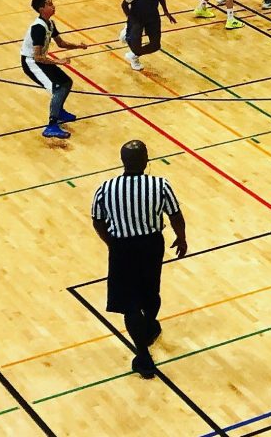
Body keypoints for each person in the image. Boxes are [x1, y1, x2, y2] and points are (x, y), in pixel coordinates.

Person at [90, 139, 187, 380]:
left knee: (129, 303)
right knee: (151, 292)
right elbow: (175, 215)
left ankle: (143, 356)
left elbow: (97, 219)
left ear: (122, 161)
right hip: (151, 245)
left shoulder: (106, 188)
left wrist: (111, 243)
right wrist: (181, 238)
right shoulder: (160, 185)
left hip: (122, 248)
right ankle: (149, 325)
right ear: (145, 161)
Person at [22, 0, 80, 139]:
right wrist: (58, 61)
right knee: (57, 88)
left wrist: (78, 46)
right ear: (41, 9)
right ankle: (51, 126)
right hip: (31, 63)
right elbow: (37, 57)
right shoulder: (38, 28)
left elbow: (61, 43)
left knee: (66, 82)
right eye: (49, 4)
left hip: (40, 61)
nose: (53, 6)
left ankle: (59, 111)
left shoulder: (50, 24)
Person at [119, 0, 175, 72]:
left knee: (155, 46)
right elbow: (124, 5)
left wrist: (166, 11)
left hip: (153, 18)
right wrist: (131, 20)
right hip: (138, 20)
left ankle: (133, 56)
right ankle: (127, 34)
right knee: (136, 48)